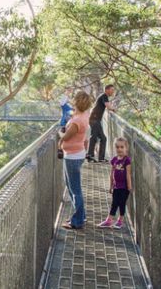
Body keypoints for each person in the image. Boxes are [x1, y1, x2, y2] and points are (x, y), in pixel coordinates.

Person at [58, 91, 93, 230]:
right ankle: (81, 215)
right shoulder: (83, 115)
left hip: (72, 156)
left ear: (77, 101)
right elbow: (72, 114)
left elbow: (66, 137)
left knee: (75, 189)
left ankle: (77, 221)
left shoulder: (77, 121)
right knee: (72, 186)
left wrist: (59, 132)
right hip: (76, 154)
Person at [98, 137, 132, 229]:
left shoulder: (127, 160)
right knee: (114, 203)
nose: (119, 149)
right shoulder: (114, 160)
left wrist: (129, 187)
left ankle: (120, 221)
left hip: (124, 187)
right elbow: (112, 173)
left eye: (122, 147)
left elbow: (128, 174)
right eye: (117, 147)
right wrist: (111, 186)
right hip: (116, 186)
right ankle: (109, 220)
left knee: (121, 204)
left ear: (126, 148)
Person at [86, 84, 116, 163]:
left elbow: (107, 106)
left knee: (99, 137)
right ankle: (91, 156)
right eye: (112, 90)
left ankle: (94, 156)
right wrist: (114, 109)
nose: (113, 92)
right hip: (94, 119)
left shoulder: (103, 96)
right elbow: (109, 107)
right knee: (98, 137)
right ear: (107, 90)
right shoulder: (104, 96)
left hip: (95, 119)